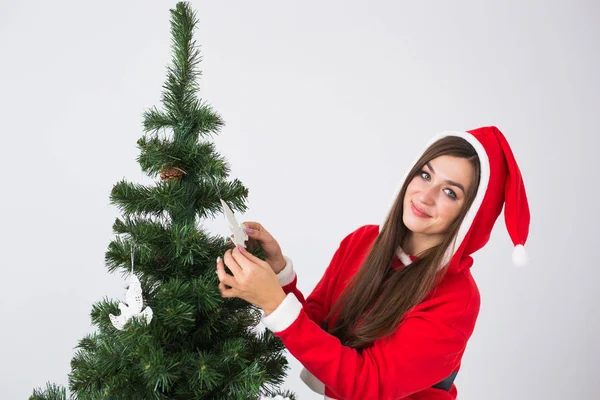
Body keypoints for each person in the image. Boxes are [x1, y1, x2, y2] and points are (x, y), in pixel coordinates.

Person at [216, 126, 530, 400]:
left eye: (449, 192)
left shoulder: (456, 299)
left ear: (470, 216)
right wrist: (280, 275)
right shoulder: (363, 242)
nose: (425, 195)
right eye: (425, 174)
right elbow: (321, 332)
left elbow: (369, 386)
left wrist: (273, 301)